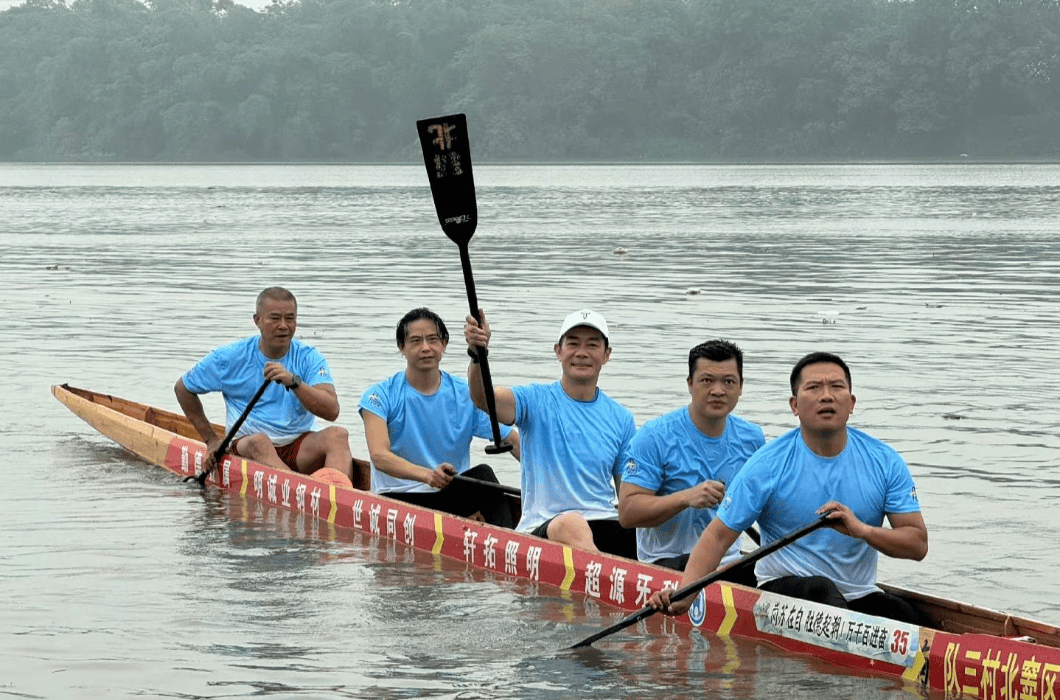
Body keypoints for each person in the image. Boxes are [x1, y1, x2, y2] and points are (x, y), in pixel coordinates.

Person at [648, 352, 927, 624]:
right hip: (783, 592)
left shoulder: (885, 462)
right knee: (821, 590)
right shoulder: (768, 464)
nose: (827, 396)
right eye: (814, 388)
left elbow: (917, 544)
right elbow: (718, 536)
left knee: (907, 615)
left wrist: (862, 530)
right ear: (794, 405)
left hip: (857, 594)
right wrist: (686, 595)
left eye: (837, 387)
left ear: (851, 402)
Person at [464, 308, 637, 558]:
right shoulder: (535, 400)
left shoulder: (622, 418)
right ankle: (603, 573)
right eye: (573, 343)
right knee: (571, 524)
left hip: (604, 522)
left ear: (606, 355)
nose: (581, 352)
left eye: (592, 345)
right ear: (559, 351)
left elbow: (629, 495)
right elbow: (483, 399)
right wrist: (478, 354)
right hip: (546, 529)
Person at [174, 287, 365, 488]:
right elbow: (183, 388)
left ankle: (337, 492)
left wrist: (295, 383)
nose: (283, 326)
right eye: (275, 319)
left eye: (290, 319)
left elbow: (332, 411)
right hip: (249, 445)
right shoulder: (228, 357)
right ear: (257, 321)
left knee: (338, 435)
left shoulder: (309, 357)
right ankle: (302, 490)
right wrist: (211, 440)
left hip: (299, 446)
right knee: (260, 442)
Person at [618, 340, 764, 585]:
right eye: (707, 381)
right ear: (690, 384)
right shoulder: (654, 436)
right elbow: (627, 513)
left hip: (725, 561)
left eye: (728, 382)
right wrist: (686, 498)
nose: (718, 391)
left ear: (740, 387)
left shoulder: (752, 438)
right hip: (665, 562)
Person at [359, 308, 521, 527]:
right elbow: (379, 456)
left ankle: (508, 539)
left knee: (484, 476)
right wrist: (427, 476)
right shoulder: (379, 395)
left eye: (433, 340)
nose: (426, 348)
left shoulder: (466, 394)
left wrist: (551, 481)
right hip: (397, 500)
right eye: (415, 341)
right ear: (402, 348)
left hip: (447, 496)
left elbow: (512, 440)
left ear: (444, 344)